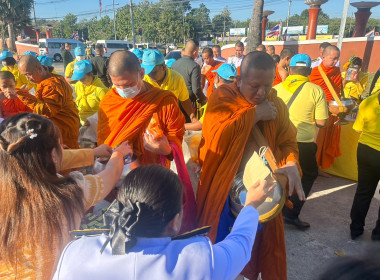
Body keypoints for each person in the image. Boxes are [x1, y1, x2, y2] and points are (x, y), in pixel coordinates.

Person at [53, 165, 274, 280]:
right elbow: (241, 244)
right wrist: (251, 205)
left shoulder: (77, 252)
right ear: (175, 221)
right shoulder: (200, 261)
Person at [197, 51, 305, 280]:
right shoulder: (222, 97)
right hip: (224, 191)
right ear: (239, 81)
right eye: (254, 86)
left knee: (256, 247)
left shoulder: (276, 104)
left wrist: (292, 162)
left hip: (262, 190)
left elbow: (288, 141)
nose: (261, 93)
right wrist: (254, 115)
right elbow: (215, 139)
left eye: (267, 86)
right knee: (222, 248)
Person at [0, 113, 132, 279]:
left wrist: (92, 153)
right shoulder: (70, 193)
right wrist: (119, 154)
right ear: (54, 155)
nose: (64, 150)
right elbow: (111, 174)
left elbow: (33, 158)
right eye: (61, 146)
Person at [97, 50, 185, 168]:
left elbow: (176, 138)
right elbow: (104, 142)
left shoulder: (164, 101)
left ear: (142, 74)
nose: (123, 90)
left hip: (153, 174)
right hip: (118, 174)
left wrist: (167, 150)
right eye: (117, 85)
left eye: (129, 84)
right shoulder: (108, 102)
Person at [275, 54, 329, 229]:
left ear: (289, 69)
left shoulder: (276, 88)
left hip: (278, 141)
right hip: (303, 144)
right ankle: (291, 213)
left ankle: (274, 211)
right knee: (308, 175)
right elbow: (322, 122)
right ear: (310, 71)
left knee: (278, 175)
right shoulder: (316, 90)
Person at [18, 55, 80, 149]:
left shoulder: (52, 84)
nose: (27, 78)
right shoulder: (46, 80)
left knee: (67, 156)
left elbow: (47, 110)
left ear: (39, 69)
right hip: (57, 127)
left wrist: (21, 95)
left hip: (64, 128)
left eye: (28, 74)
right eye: (25, 75)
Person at [349, 88, 380, 241]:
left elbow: (358, 129)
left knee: (363, 190)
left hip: (366, 151)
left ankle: (355, 229)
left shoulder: (367, 102)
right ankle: (378, 234)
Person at [309, 45, 342, 170]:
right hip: (319, 112)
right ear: (323, 57)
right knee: (316, 142)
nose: (335, 61)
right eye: (333, 58)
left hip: (333, 111)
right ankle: (311, 169)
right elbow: (311, 94)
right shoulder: (314, 72)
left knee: (326, 142)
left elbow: (337, 91)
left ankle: (319, 168)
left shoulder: (337, 71)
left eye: (337, 59)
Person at [142, 49, 194, 121]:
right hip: (150, 123)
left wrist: (193, 117)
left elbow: (184, 100)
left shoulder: (177, 78)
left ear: (163, 67)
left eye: (153, 72)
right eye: (147, 71)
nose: (149, 75)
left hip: (171, 121)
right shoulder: (142, 79)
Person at [185, 63, 237, 132]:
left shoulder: (216, 100)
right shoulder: (237, 97)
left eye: (215, 75)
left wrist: (182, 126)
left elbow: (202, 124)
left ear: (217, 78)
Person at [172, 40, 207, 114]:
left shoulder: (174, 64)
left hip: (174, 101)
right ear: (195, 52)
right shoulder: (195, 66)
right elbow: (196, 89)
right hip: (188, 103)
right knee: (189, 124)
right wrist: (204, 100)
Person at [72, 60, 108, 125]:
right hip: (81, 121)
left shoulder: (101, 90)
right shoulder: (78, 85)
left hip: (96, 124)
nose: (81, 81)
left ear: (91, 74)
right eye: (79, 79)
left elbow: (108, 112)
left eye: (83, 79)